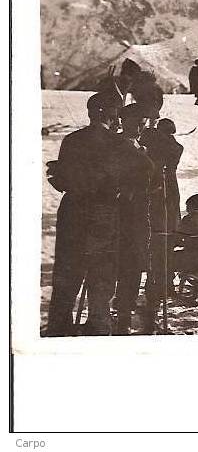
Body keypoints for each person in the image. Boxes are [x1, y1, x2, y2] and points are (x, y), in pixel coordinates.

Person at [45, 93, 122, 336]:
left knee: (67, 273)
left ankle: (58, 328)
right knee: (101, 273)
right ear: (109, 114)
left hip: (72, 212)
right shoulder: (117, 144)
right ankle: (98, 327)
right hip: (104, 213)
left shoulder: (72, 140)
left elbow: (62, 180)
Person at [113, 104, 155, 335]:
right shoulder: (116, 145)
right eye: (136, 121)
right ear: (123, 121)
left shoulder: (140, 145)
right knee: (124, 263)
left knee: (135, 263)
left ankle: (125, 309)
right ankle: (120, 312)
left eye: (143, 121)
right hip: (122, 214)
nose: (140, 126)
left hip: (139, 214)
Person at [138, 117, 184, 331]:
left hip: (166, 190)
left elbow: (172, 147)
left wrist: (155, 135)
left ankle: (164, 285)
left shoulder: (170, 147)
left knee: (165, 237)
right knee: (158, 240)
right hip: (157, 191)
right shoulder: (157, 143)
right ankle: (159, 285)